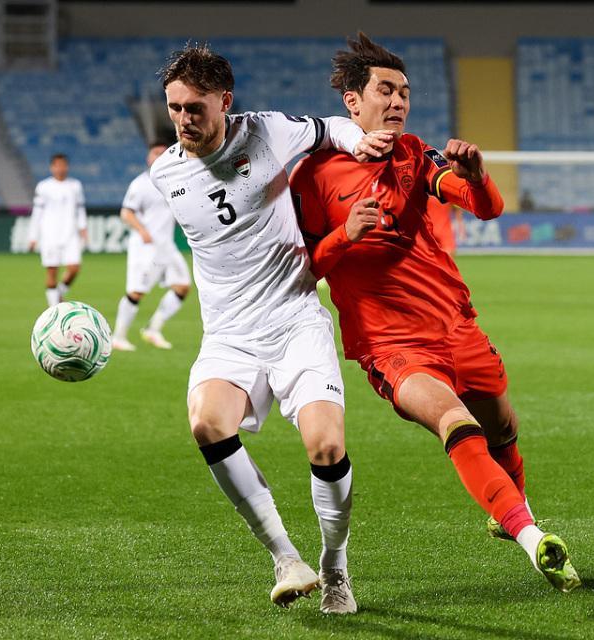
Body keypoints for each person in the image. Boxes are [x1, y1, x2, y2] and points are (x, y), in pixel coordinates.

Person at [289, 33, 580, 593]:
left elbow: (486, 208)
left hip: (455, 324)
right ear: (352, 102)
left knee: (503, 428)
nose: (398, 101)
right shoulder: (312, 176)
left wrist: (477, 176)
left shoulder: (412, 152)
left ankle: (510, 509)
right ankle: (531, 535)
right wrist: (345, 235)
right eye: (385, 90)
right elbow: (302, 268)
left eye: (404, 92)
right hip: (390, 345)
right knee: (455, 422)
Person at [149, 43, 392, 613]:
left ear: (224, 101)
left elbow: (329, 128)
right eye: (175, 108)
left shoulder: (265, 132)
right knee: (207, 424)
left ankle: (335, 567)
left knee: (326, 446)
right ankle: (285, 557)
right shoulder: (165, 173)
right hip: (229, 334)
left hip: (294, 318)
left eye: (195, 108)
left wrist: (358, 141)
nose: (183, 119)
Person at [112, 142, 191, 352]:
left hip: (166, 246)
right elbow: (126, 213)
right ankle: (118, 336)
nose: (159, 156)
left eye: (163, 153)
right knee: (136, 292)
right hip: (145, 247)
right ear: (148, 157)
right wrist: (143, 231)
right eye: (155, 153)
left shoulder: (173, 181)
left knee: (182, 286)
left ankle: (153, 329)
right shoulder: (140, 184)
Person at [27, 153, 88, 307]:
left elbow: (80, 209)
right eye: (58, 165)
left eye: (63, 165)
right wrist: (33, 236)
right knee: (52, 271)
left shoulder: (75, 185)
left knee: (74, 268)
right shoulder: (43, 187)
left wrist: (83, 228)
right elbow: (37, 213)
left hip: (70, 234)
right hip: (50, 235)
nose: (61, 168)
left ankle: (58, 294)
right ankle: (53, 307)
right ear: (52, 167)